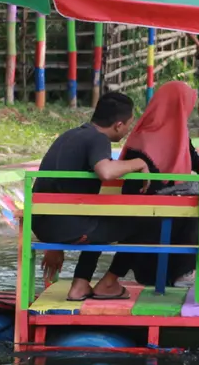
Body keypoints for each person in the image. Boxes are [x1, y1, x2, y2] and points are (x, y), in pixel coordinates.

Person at [35, 93, 150, 302]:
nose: (126, 131)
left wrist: (53, 242)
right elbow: (105, 171)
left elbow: (53, 186)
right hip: (64, 225)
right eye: (128, 126)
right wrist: (139, 163)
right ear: (118, 125)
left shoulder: (69, 135)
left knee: (100, 220)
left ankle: (80, 285)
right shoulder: (98, 139)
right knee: (143, 224)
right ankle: (108, 284)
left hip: (44, 222)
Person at [117, 81, 199, 287]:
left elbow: (193, 156)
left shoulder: (179, 134)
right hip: (147, 226)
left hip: (167, 217)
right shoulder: (143, 138)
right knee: (197, 208)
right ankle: (185, 271)